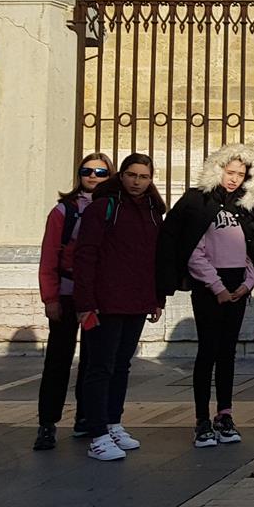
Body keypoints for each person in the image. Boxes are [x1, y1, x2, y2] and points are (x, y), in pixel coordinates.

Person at [158, 145, 254, 449]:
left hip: (238, 287)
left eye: (241, 174)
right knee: (208, 351)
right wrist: (217, 287)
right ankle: (201, 419)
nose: (234, 179)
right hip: (209, 287)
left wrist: (248, 283)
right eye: (230, 172)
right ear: (218, 169)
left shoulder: (247, 205)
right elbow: (191, 249)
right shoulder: (198, 200)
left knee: (227, 353)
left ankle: (225, 414)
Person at [73, 154, 166, 461]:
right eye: (132, 175)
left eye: (144, 176)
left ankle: (113, 422)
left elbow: (155, 258)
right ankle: (97, 433)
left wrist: (157, 298)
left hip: (137, 301)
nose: (137, 182)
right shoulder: (103, 207)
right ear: (121, 175)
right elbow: (85, 256)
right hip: (105, 302)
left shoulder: (153, 211)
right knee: (100, 366)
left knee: (122, 365)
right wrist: (85, 303)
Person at [32, 152, 113, 451]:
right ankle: (47, 423)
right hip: (67, 295)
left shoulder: (112, 208)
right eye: (87, 171)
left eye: (100, 172)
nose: (93, 176)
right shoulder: (63, 211)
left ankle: (86, 417)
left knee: (94, 360)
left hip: (96, 296)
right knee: (58, 360)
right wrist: (50, 297)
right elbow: (49, 256)